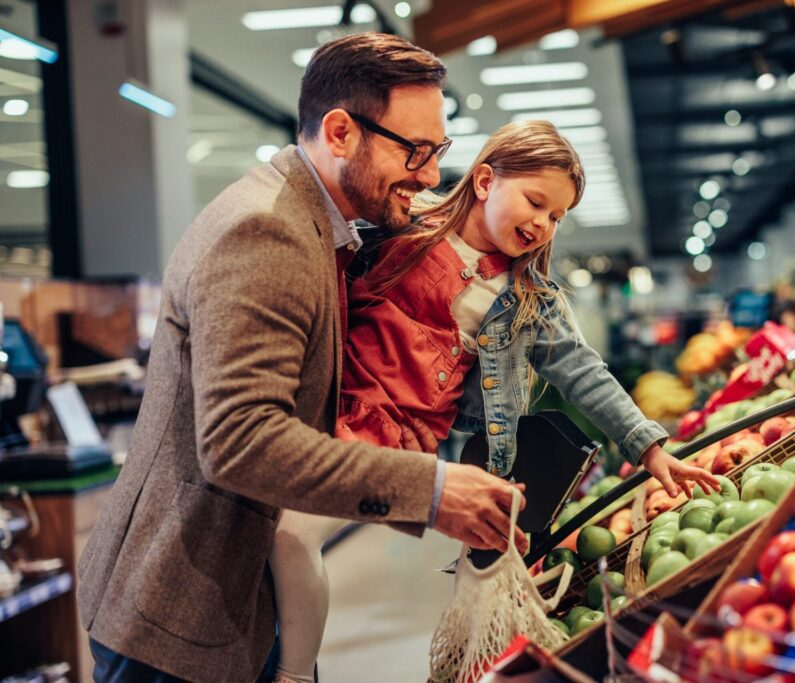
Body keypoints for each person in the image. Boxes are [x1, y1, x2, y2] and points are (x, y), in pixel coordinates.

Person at [77, 33, 528, 683]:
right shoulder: (267, 231)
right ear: (341, 131)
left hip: (231, 598)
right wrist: (428, 490)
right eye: (416, 151)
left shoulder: (319, 225)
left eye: (440, 152)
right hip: (180, 620)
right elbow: (239, 439)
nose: (431, 175)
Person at [268, 120, 720, 683]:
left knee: (292, 534)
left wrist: (649, 446)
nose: (543, 224)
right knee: (269, 535)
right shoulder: (401, 231)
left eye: (557, 216)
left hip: (391, 437)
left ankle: (292, 675)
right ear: (484, 180)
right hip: (317, 407)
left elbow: (584, 372)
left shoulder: (529, 300)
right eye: (535, 201)